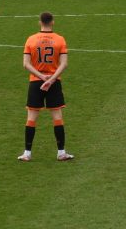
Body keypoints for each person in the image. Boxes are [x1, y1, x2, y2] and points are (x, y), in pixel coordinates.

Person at [19, 12, 74, 161]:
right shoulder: (59, 39)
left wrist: (42, 77)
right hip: (54, 82)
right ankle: (61, 152)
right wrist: (51, 79)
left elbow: (26, 64)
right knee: (57, 117)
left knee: (31, 118)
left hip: (36, 82)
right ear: (53, 22)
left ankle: (27, 153)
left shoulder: (31, 39)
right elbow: (64, 64)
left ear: (40, 22)